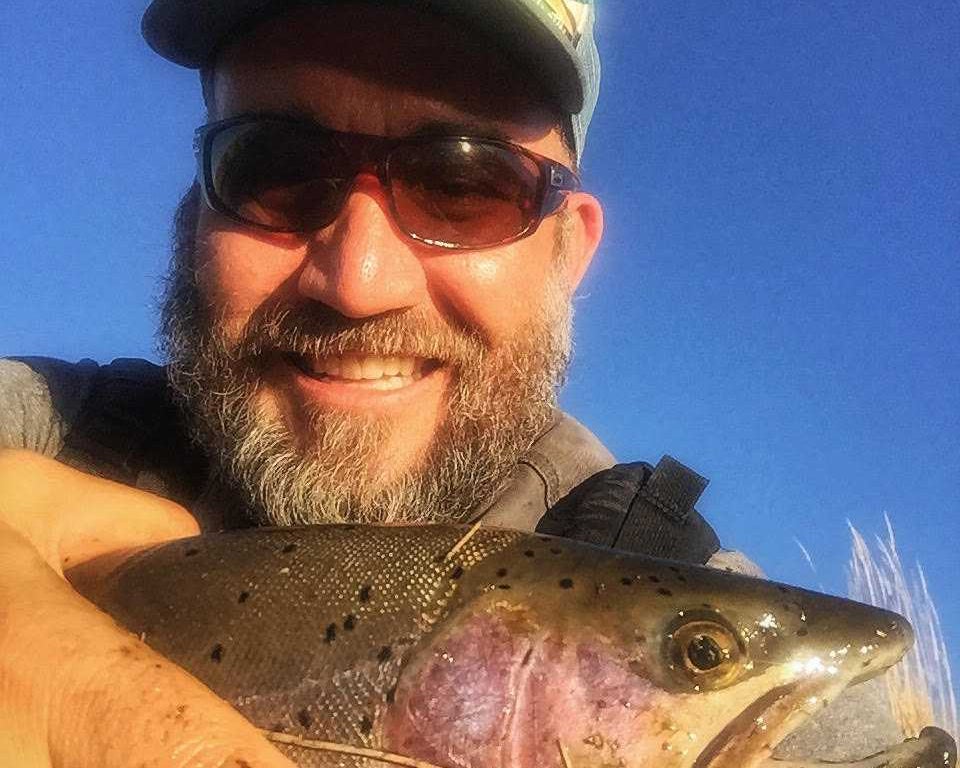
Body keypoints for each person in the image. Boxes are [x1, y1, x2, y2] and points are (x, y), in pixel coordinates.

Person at [0, 1, 899, 765]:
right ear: (197, 212)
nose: (358, 282)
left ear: (569, 250)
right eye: (273, 169)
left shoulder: (722, 624)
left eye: (466, 184)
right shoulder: (40, 429)